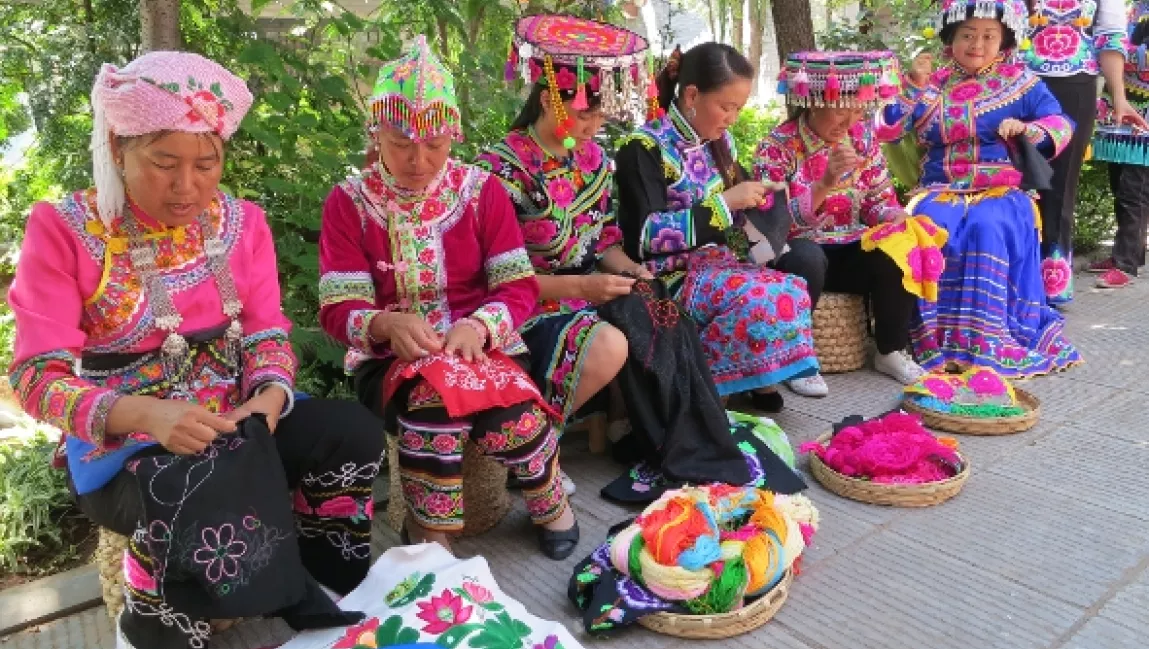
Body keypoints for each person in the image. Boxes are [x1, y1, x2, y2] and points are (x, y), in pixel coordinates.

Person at [6, 51, 384, 648]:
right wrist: (149, 415)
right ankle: (158, 622)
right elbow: (35, 377)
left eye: (206, 165)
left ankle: (316, 574)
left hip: (238, 421)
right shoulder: (66, 228)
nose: (187, 187)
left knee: (351, 431)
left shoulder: (243, 222)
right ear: (117, 148)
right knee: (196, 480)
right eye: (163, 163)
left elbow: (265, 334)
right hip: (131, 446)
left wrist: (267, 399)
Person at [317, 37, 579, 560]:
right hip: (390, 359)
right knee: (430, 410)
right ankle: (432, 538)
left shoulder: (481, 192)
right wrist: (385, 325)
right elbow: (338, 306)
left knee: (514, 417)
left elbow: (517, 286)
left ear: (453, 135)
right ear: (376, 133)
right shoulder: (349, 203)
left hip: (483, 346)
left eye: (435, 144)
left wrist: (478, 327)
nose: (419, 160)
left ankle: (553, 506)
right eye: (400, 143)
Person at [476, 15, 654, 494]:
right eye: (584, 114)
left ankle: (632, 426)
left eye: (600, 115)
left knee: (659, 308)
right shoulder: (500, 171)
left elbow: (605, 239)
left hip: (587, 290)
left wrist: (633, 271)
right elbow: (494, 277)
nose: (595, 126)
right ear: (548, 99)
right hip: (523, 306)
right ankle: (532, 446)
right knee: (607, 343)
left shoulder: (592, 158)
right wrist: (582, 287)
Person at [876, 0, 1082, 377]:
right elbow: (886, 130)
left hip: (1001, 190)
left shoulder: (1022, 82)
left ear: (1003, 41)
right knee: (926, 226)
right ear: (951, 38)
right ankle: (929, 338)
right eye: (968, 35)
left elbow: (1062, 123)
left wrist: (1028, 130)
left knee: (988, 225)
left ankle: (986, 338)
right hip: (939, 188)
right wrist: (912, 86)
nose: (977, 44)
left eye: (989, 36)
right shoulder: (931, 83)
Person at [614, 42, 820, 413]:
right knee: (758, 296)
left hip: (718, 265)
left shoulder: (720, 142)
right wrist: (726, 204)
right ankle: (708, 391)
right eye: (727, 107)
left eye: (739, 108)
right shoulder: (643, 147)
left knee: (793, 286)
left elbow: (738, 214)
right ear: (692, 95)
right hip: (667, 275)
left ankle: (751, 376)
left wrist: (763, 199)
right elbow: (644, 236)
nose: (733, 118)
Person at [755, 50, 927, 398]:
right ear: (814, 102)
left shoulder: (863, 139)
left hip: (850, 249)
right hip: (795, 253)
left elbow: (878, 199)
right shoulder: (777, 147)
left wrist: (894, 218)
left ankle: (890, 350)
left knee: (901, 247)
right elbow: (769, 227)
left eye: (858, 110)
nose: (849, 121)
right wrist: (824, 184)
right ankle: (796, 360)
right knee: (807, 257)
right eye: (840, 110)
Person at [1024, 0, 1149, 304]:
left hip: (1076, 85)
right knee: (1011, 178)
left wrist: (1118, 96)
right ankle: (1011, 278)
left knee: (1060, 185)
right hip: (1013, 83)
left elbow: (1110, 35)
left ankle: (1052, 281)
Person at [1088, 1, 1149, 289]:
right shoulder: (1136, 7)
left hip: (1144, 119)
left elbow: (1118, 46)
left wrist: (1117, 49)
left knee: (1134, 191)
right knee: (1119, 184)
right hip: (1121, 112)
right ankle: (1127, 253)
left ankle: (1126, 264)